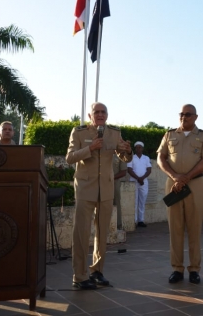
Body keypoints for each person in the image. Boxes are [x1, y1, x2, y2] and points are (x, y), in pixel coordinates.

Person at [66, 102, 132, 289]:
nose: (100, 114)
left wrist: (127, 151)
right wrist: (90, 148)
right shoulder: (79, 132)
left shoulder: (114, 133)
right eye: (97, 112)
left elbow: (124, 157)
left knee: (103, 233)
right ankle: (79, 276)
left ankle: (97, 271)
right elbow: (70, 157)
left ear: (107, 115)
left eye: (103, 112)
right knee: (81, 233)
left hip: (106, 189)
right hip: (85, 188)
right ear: (90, 115)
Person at [157, 104, 203, 285]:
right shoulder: (169, 135)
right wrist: (175, 177)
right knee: (175, 229)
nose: (184, 117)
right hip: (173, 186)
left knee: (194, 229)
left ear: (196, 117)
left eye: (188, 115)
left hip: (194, 185)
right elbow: (161, 157)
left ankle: (194, 269)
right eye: (181, 114)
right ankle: (177, 268)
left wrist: (186, 177)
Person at [127, 141, 152, 228]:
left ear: (142, 148)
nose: (138, 149)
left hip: (144, 182)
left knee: (142, 201)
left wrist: (142, 178)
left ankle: (140, 220)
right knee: (134, 201)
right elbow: (129, 170)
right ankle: (134, 221)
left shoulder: (146, 158)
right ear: (135, 148)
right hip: (134, 181)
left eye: (140, 147)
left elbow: (149, 170)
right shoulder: (131, 157)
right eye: (137, 147)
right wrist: (138, 178)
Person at [113, 154, 128, 230]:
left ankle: (118, 225)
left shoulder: (120, 155)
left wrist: (111, 178)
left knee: (116, 203)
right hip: (102, 184)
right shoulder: (102, 152)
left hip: (114, 183)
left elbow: (123, 172)